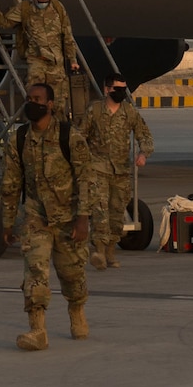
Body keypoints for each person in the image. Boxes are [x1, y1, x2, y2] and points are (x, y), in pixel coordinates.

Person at [2, 81, 92, 349]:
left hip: (68, 217)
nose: (32, 102)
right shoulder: (19, 139)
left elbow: (86, 178)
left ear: (50, 104)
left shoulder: (69, 137)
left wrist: (83, 218)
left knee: (72, 276)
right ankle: (37, 330)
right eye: (29, 98)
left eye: (38, 98)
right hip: (35, 216)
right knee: (35, 271)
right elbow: (10, 183)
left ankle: (76, 310)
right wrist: (7, 222)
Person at [75, 75, 152, 269]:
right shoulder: (95, 110)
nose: (121, 93)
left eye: (123, 89)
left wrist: (143, 153)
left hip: (121, 171)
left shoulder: (129, 112)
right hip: (97, 169)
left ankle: (110, 252)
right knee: (100, 212)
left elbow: (144, 134)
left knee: (117, 214)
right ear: (107, 89)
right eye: (117, 89)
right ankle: (99, 252)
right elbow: (79, 136)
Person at [0, 0, 83, 112]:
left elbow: (67, 35)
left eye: (45, 2)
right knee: (35, 97)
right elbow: (6, 23)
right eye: (40, 2)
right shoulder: (25, 9)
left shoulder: (58, 8)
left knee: (58, 102)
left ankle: (57, 128)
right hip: (36, 59)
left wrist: (73, 59)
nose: (43, 4)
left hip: (55, 62)